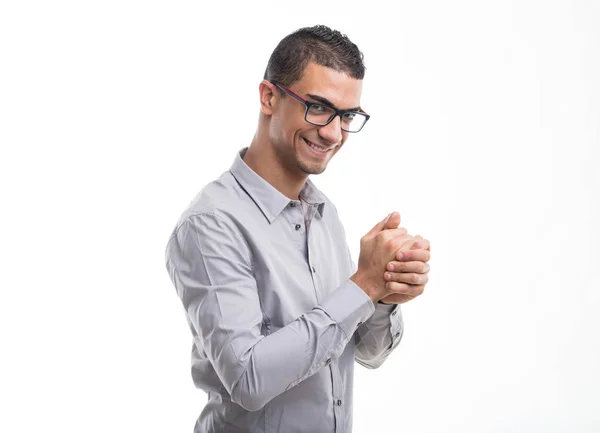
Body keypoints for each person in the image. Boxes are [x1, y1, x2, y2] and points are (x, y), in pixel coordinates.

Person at [165, 24, 431, 433]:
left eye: (347, 116)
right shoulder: (211, 225)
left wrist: (382, 295)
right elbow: (248, 380)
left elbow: (367, 354)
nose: (333, 133)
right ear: (269, 97)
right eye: (319, 107)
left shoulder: (325, 214)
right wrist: (362, 286)